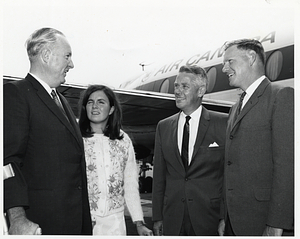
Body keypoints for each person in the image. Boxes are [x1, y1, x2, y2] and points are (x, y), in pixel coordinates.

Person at [3, 28, 92, 235]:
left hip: (73, 222)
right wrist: (17, 217)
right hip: (41, 223)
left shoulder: (62, 101)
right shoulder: (15, 94)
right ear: (46, 56)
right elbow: (7, 162)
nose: (71, 64)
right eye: (67, 56)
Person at [218, 39, 294, 236]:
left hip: (262, 220)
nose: (224, 68)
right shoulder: (235, 107)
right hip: (233, 221)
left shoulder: (281, 96)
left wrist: (277, 223)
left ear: (251, 58)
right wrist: (223, 216)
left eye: (229, 62)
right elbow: (229, 165)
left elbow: (287, 165)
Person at [152, 65, 228, 236]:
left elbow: (228, 175)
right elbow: (159, 177)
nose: (177, 91)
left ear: (201, 90)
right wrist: (157, 217)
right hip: (172, 219)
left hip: (209, 219)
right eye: (176, 86)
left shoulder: (223, 123)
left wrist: (224, 217)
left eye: (184, 86)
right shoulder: (163, 126)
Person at [78, 85, 153, 236]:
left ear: (111, 109)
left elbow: (130, 184)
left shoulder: (123, 140)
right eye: (90, 102)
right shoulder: (76, 138)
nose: (94, 106)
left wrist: (139, 222)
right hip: (84, 220)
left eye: (101, 102)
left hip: (115, 224)